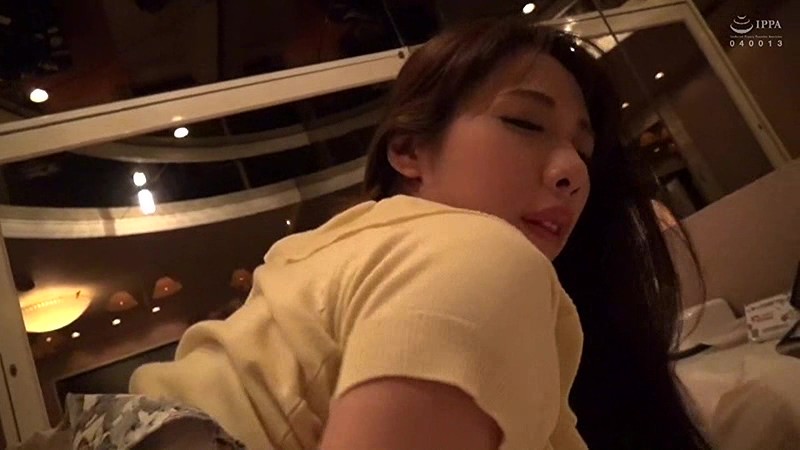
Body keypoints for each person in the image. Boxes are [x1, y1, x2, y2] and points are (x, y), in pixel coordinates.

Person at [126, 18, 711, 450]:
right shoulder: (482, 253)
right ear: (408, 151)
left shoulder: (328, 265)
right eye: (524, 122)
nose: (572, 172)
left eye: (583, 150)